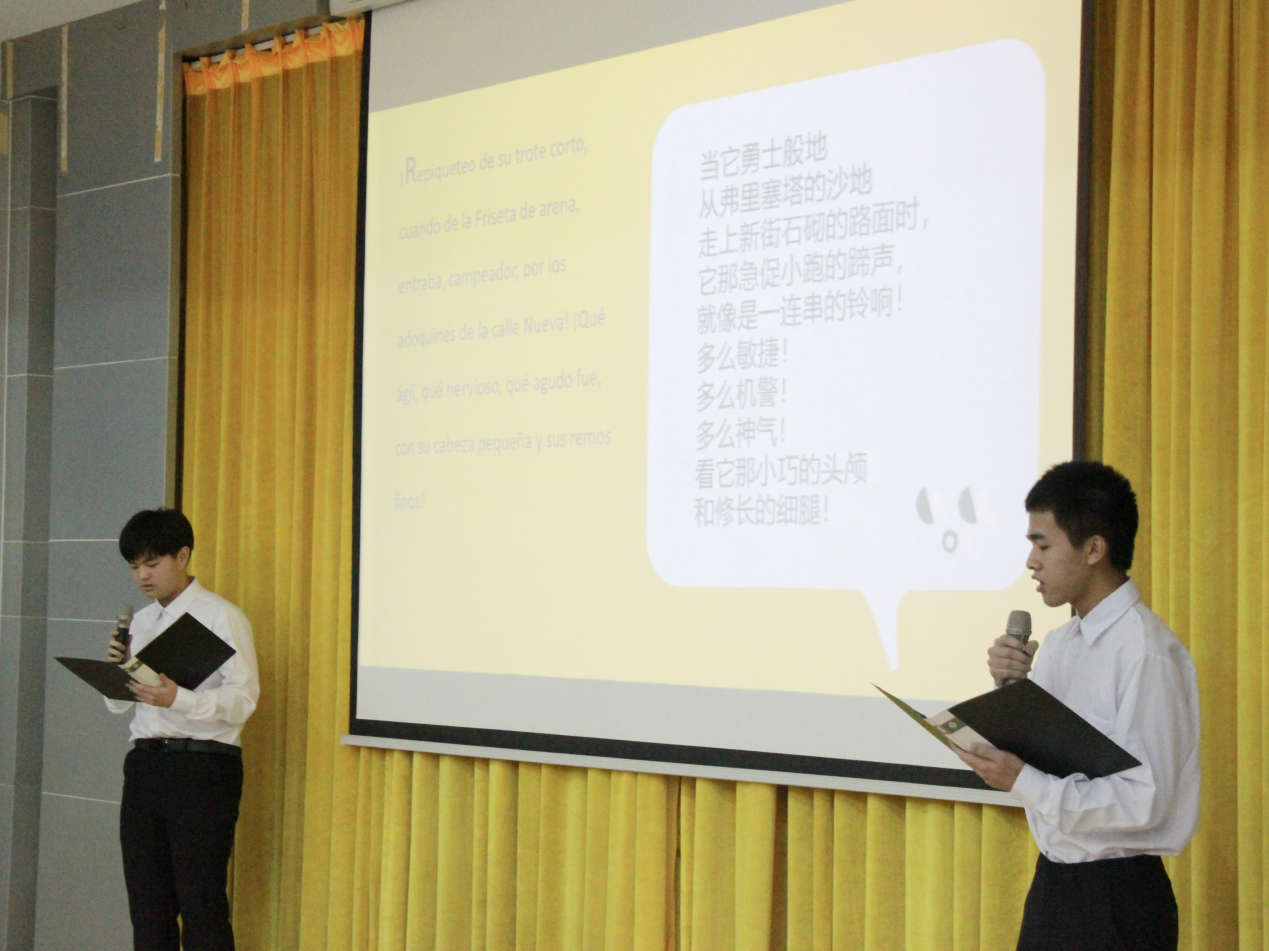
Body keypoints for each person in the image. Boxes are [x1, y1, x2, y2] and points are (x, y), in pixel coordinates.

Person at [953, 461, 1199, 951]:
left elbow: (1144, 802)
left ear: (1093, 549)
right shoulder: (1060, 644)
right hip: (1054, 885)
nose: (1031, 562)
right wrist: (1008, 692)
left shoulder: (1146, 652)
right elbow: (1051, 757)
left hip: (1117, 897)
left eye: (1043, 545)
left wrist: (1021, 779)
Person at [105, 508, 259, 951]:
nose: (142, 576)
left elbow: (244, 700)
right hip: (145, 766)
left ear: (183, 556)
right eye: (134, 566)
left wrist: (179, 698)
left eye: (152, 564)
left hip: (202, 769)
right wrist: (116, 672)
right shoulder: (140, 622)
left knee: (200, 904)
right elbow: (118, 703)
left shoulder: (221, 616)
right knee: (147, 906)